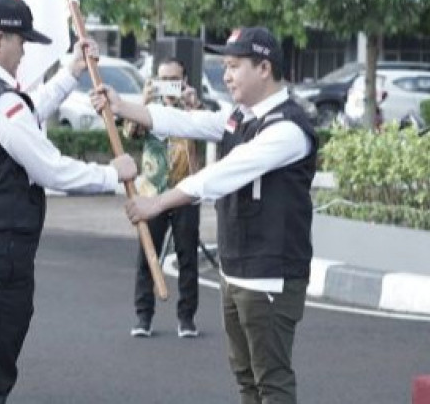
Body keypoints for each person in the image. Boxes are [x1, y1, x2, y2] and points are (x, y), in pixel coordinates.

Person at [0, 0, 138, 404]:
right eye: (21, 40)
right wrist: (112, 174)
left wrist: (70, 72)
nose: (24, 50)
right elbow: (50, 168)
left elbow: (25, 116)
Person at [93, 26, 317, 404]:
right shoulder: (240, 117)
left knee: (272, 381)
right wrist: (123, 106)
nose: (226, 75)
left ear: (264, 67)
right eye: (224, 66)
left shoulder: (288, 128)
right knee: (246, 378)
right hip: (237, 269)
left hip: (270, 275)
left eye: (234, 66)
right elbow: (190, 122)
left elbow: (222, 173)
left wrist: (158, 202)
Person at [130, 57, 204, 339]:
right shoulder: (148, 109)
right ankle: (143, 317)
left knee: (188, 257)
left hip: (185, 191)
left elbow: (210, 130)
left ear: (184, 80)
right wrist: (143, 100)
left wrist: (193, 104)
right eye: (163, 79)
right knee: (147, 254)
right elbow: (130, 132)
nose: (169, 85)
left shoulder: (192, 108)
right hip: (151, 192)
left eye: (174, 79)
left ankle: (187, 318)